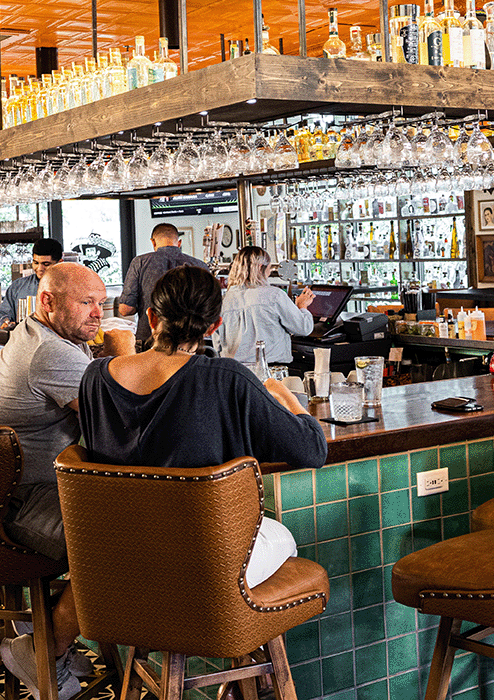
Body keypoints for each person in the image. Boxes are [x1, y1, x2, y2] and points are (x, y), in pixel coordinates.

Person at [74, 265, 324, 602]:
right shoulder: (226, 378)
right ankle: (234, 636)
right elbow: (311, 450)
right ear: (214, 325)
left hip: (121, 556)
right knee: (281, 535)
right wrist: (289, 399)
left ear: (151, 317)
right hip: (206, 562)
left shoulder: (95, 377)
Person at [0, 263, 108, 700]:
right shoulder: (51, 352)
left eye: (101, 301)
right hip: (6, 506)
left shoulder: (43, 337)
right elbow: (117, 424)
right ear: (48, 302)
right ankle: (45, 650)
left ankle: (42, 629)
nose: (98, 313)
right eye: (86, 303)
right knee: (113, 543)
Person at [216, 246, 314, 366]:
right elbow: (303, 328)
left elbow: (218, 345)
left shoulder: (224, 300)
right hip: (270, 370)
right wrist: (302, 306)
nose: (270, 271)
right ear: (259, 267)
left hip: (235, 371)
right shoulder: (273, 295)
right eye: (270, 267)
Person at [117, 222, 208, 349]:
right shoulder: (200, 266)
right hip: (189, 343)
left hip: (149, 341)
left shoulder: (140, 263)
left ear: (153, 242)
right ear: (179, 243)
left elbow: (125, 309)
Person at [0, 238, 65, 334]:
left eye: (46, 264)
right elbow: (1, 314)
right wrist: (5, 322)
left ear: (60, 263)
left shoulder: (69, 288)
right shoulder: (18, 286)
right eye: (36, 263)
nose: (39, 268)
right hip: (24, 343)